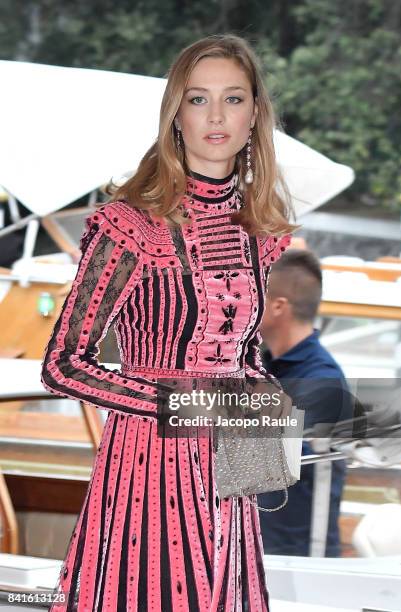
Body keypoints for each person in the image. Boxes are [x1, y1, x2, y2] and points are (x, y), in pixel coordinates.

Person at [40, 34, 300, 611]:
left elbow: (243, 354)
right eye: (198, 98)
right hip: (147, 464)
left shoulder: (259, 232)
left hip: (229, 471)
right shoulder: (129, 224)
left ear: (254, 113)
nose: (216, 115)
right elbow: (63, 365)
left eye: (233, 99)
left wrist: (266, 410)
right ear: (175, 114)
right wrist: (183, 404)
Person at [256, 248, 354, 557]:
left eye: (252, 292)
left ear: (278, 306)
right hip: (261, 547)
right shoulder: (264, 367)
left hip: (299, 560)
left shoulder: (321, 381)